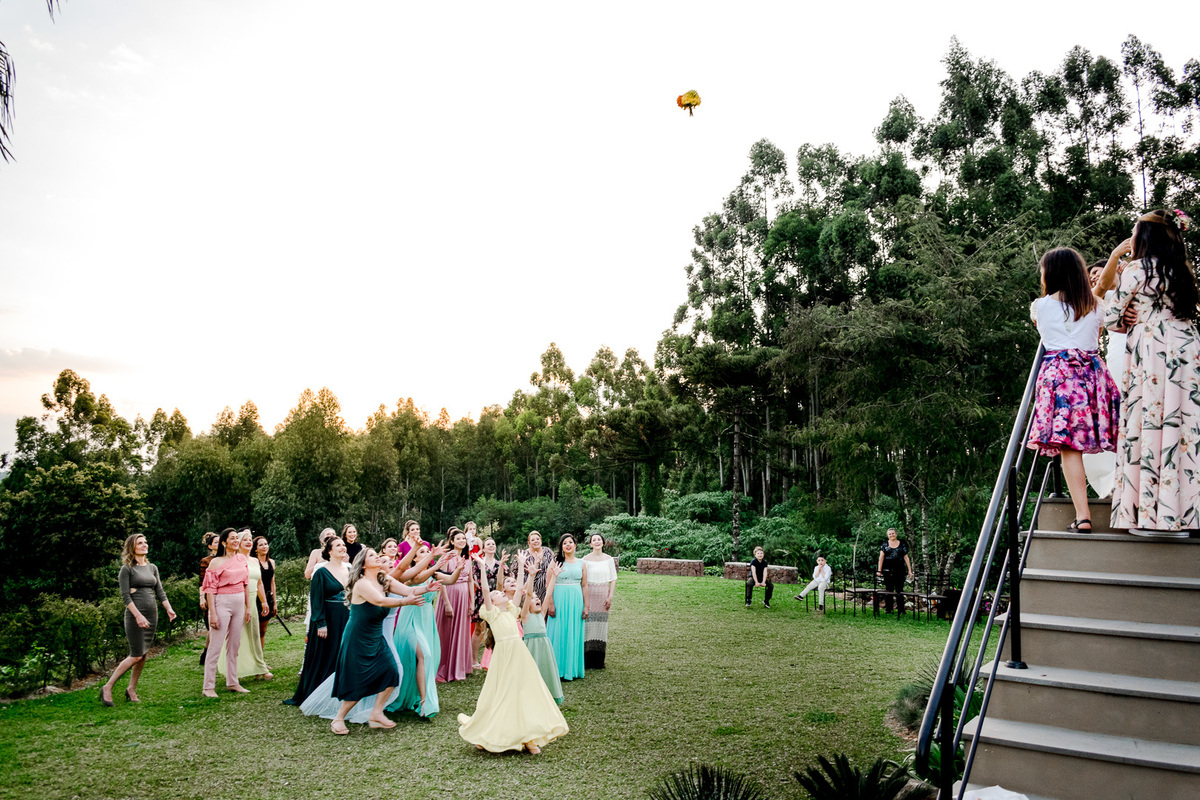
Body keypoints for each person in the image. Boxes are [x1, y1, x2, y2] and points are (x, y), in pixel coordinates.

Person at [1101, 210, 1200, 536]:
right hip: (1186, 350)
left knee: (1148, 426)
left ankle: (1148, 516)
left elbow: (1111, 319)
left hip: (1153, 351)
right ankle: (1184, 517)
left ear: (1144, 238)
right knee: (1182, 428)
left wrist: (1127, 313)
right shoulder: (1183, 271)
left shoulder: (1136, 270)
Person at [1027, 246, 1122, 532]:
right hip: (1091, 374)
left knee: (1070, 450)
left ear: (1051, 274)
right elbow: (1100, 330)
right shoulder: (1096, 305)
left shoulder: (1039, 307)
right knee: (1120, 436)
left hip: (1058, 376)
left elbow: (1042, 329)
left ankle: (1083, 516)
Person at [457, 553, 569, 754]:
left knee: (525, 691)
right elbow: (484, 588)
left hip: (520, 654)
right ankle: (490, 733)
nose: (498, 594)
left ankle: (530, 738)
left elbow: (519, 590)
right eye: (495, 594)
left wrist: (522, 568)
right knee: (503, 694)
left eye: (499, 594)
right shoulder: (492, 614)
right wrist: (482, 567)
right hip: (504, 656)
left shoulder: (511, 611)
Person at [323, 549, 425, 734]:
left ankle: (376, 713)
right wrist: (405, 602)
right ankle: (338, 719)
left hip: (376, 636)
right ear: (362, 564)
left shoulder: (383, 579)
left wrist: (429, 588)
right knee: (358, 680)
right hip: (357, 637)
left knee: (391, 672)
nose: (377, 556)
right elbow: (379, 601)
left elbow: (409, 590)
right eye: (371, 555)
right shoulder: (361, 584)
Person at [100, 535, 177, 706]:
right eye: (140, 543)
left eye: (145, 542)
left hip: (152, 614)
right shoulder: (126, 569)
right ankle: (107, 686)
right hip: (135, 615)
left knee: (143, 655)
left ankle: (131, 689)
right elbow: (126, 596)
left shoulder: (152, 568)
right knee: (135, 655)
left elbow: (160, 591)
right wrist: (138, 615)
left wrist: (168, 608)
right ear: (132, 547)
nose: (144, 545)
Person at [388, 541, 456, 719]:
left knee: (427, 658)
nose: (427, 553)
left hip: (426, 620)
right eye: (423, 552)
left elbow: (451, 580)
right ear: (416, 557)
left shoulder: (434, 574)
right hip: (410, 619)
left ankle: (418, 696)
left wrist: (459, 569)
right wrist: (435, 562)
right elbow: (417, 580)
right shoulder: (410, 575)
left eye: (428, 552)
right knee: (424, 655)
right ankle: (425, 702)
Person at [286, 536, 351, 706]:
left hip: (346, 617)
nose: (343, 547)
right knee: (325, 654)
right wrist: (321, 622)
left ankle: (340, 688)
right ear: (329, 550)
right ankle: (318, 691)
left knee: (341, 652)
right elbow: (316, 600)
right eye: (338, 545)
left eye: (343, 545)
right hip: (327, 618)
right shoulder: (321, 571)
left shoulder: (350, 569)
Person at [201, 528, 253, 698]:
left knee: (234, 645)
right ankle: (208, 687)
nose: (235, 541)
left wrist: (248, 607)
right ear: (224, 542)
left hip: (239, 602)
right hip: (222, 603)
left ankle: (233, 682)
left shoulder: (241, 559)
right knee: (215, 646)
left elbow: (246, 583)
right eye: (232, 539)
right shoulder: (215, 562)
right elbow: (209, 589)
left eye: (236, 538)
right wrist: (213, 614)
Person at [218, 529, 272, 682]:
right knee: (238, 637)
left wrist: (263, 601)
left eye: (250, 539)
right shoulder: (235, 559)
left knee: (254, 635)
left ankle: (259, 667)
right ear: (238, 544)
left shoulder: (254, 561)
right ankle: (235, 669)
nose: (249, 542)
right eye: (245, 540)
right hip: (238, 599)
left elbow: (259, 582)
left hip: (253, 601)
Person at [435, 528, 476, 683]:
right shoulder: (446, 557)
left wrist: (472, 602)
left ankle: (459, 667)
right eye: (458, 539)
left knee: (461, 630)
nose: (461, 541)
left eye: (463, 539)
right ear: (451, 541)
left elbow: (471, 580)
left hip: (464, 596)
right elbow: (442, 581)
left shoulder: (467, 558)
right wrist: (446, 603)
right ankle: (442, 668)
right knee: (446, 631)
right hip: (450, 595)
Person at [545, 533, 587, 681]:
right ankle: (557, 669)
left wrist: (586, 606)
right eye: (564, 543)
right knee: (558, 631)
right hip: (559, 599)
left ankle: (572, 669)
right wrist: (550, 603)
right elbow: (548, 583)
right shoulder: (555, 562)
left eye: (570, 542)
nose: (568, 545)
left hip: (576, 600)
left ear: (575, 545)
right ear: (561, 547)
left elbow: (584, 585)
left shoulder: (581, 563)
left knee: (573, 632)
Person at [520, 561, 563, 705]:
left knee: (545, 671)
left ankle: (547, 697)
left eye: (538, 598)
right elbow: (528, 594)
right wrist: (531, 577)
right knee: (531, 673)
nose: (537, 599)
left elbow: (549, 593)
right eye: (534, 599)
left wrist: (554, 577)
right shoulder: (525, 615)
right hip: (531, 648)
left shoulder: (542, 612)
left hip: (544, 647)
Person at [470, 538, 508, 668]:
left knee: (496, 629)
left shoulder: (499, 563)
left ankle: (495, 659)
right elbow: (471, 579)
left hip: (497, 598)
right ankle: (474, 660)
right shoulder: (477, 563)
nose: (491, 546)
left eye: (493, 544)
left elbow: (507, 578)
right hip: (481, 597)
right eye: (488, 544)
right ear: (484, 549)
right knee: (478, 629)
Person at [581, 533, 616, 669]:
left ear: (603, 543)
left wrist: (610, 596)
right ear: (590, 544)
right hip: (589, 593)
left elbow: (613, 578)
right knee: (588, 625)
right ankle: (586, 659)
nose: (596, 542)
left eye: (599, 540)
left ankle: (599, 660)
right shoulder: (585, 560)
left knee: (601, 626)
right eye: (593, 540)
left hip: (602, 594)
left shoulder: (609, 559)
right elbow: (583, 581)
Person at [876, 528, 915, 615]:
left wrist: (909, 570)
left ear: (896, 534)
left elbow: (906, 557)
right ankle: (889, 609)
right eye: (890, 534)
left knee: (899, 590)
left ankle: (901, 609)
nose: (891, 535)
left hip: (900, 570)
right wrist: (879, 570)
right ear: (887, 535)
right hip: (888, 570)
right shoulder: (884, 545)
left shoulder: (902, 544)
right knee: (889, 589)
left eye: (893, 533)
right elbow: (881, 558)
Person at [198, 532, 219, 666]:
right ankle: (207, 653)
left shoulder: (228, 558)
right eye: (215, 542)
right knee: (213, 628)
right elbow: (202, 583)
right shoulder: (206, 561)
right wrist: (202, 598)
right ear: (210, 546)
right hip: (210, 595)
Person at [519, 530, 556, 605]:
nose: (536, 541)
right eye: (532, 540)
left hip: (547, 589)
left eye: (537, 539)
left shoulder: (548, 551)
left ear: (541, 541)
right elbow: (516, 572)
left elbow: (555, 566)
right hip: (530, 591)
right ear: (529, 543)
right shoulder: (524, 554)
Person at [253, 535, 276, 649]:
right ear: (255, 548)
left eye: (265, 544)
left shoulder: (271, 562)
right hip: (257, 599)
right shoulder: (254, 562)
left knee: (263, 631)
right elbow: (258, 582)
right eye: (260, 545)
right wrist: (263, 601)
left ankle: (261, 661)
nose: (264, 546)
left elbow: (273, 583)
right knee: (254, 631)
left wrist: (274, 602)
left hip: (269, 598)